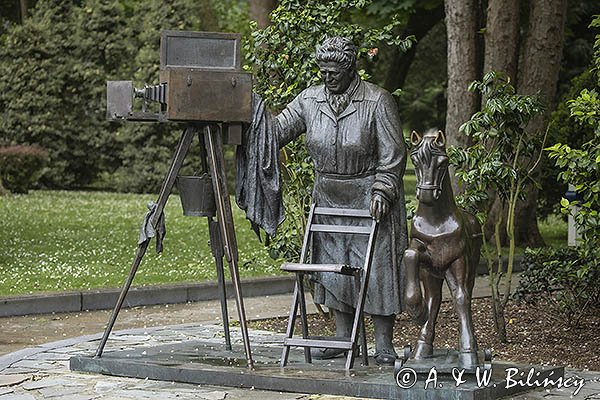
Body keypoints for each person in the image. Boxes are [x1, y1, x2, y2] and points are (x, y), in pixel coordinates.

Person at [274, 36, 409, 365]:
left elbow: (393, 154)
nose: (327, 77)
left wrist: (383, 189)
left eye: (333, 72)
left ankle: (383, 343)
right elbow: (276, 130)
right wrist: (246, 114)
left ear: (350, 69)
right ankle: (341, 335)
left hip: (368, 196)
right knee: (334, 267)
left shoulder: (377, 101)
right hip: (329, 197)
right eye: (323, 71)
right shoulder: (310, 100)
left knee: (376, 270)